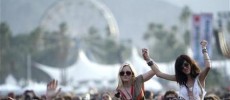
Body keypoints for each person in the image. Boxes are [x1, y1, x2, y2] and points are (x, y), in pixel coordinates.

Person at [142, 40, 211, 100]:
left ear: (191, 64)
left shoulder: (199, 78)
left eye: (186, 64)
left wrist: (204, 49)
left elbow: (208, 67)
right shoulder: (179, 79)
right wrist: (148, 59)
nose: (184, 68)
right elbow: (159, 74)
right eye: (181, 67)